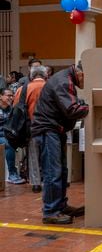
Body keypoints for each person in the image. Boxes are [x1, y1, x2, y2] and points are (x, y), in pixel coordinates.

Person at [31, 62, 89, 224]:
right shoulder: (64, 81)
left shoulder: (66, 79)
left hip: (55, 130)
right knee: (53, 172)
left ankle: (60, 206)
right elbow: (71, 109)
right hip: (48, 130)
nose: (86, 83)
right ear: (80, 73)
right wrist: (90, 108)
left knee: (61, 171)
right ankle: (50, 211)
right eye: (87, 78)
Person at [14, 65, 48, 193]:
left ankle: (36, 183)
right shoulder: (52, 87)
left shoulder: (22, 89)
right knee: (48, 155)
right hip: (50, 127)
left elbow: (16, 109)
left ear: (31, 76)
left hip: (31, 126)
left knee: (33, 155)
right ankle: (48, 181)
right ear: (45, 75)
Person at [0, 88, 26, 184]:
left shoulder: (12, 109)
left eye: (12, 95)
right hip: (2, 136)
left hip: (9, 135)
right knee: (8, 144)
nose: (11, 98)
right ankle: (12, 174)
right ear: (0, 96)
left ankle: (25, 171)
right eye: (8, 95)